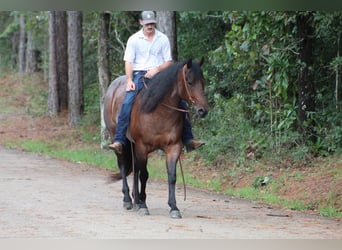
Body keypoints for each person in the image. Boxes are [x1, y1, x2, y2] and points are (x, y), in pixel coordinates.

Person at [109, 11, 204, 154]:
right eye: (147, 23)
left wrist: (156, 69)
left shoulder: (162, 38)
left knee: (181, 102)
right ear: (141, 23)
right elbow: (129, 62)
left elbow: (168, 61)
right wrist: (129, 80)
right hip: (139, 74)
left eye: (152, 23)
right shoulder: (134, 39)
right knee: (128, 101)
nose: (150, 26)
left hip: (160, 75)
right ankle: (120, 140)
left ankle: (188, 140)